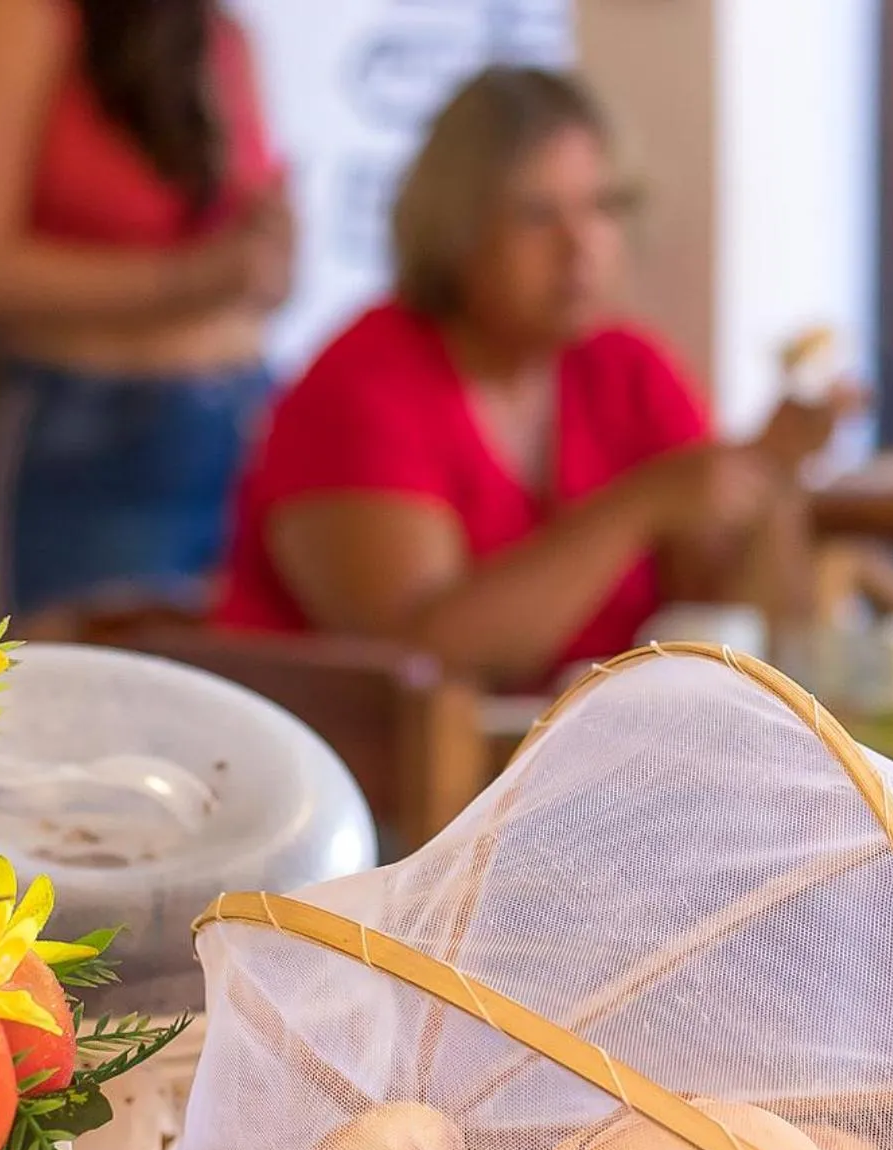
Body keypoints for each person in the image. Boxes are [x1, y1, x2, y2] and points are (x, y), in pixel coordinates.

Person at [216, 68, 857, 688]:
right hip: (358, 783)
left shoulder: (629, 367)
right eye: (536, 214)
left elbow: (738, 637)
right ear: (456, 231)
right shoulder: (363, 385)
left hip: (581, 780)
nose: (581, 245)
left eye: (603, 206)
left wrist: (775, 479)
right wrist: (638, 508)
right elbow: (419, 664)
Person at [0, 0, 290, 615]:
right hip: (89, 433)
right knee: (57, 696)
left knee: (224, 700)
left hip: (240, 426)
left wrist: (269, 252)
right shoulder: (29, 21)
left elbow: (260, 273)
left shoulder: (225, 37)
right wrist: (195, 280)